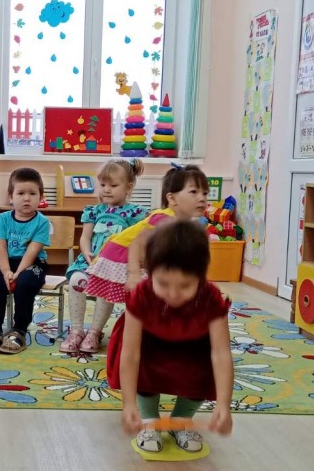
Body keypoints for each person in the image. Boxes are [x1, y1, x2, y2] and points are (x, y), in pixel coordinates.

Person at [109, 220, 233, 454]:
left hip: (193, 346)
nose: (174, 294)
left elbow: (221, 353)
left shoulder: (210, 298)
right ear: (150, 272)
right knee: (142, 363)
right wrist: (128, 404)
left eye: (185, 285)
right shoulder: (142, 295)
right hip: (150, 344)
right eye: (163, 283)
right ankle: (149, 420)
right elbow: (131, 354)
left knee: (204, 367)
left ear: (201, 277)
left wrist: (224, 405)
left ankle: (181, 419)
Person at [85, 164, 209, 304]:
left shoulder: (186, 224)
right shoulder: (164, 219)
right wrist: (134, 274)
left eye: (205, 193)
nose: (202, 198)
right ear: (172, 199)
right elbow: (136, 244)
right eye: (193, 192)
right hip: (121, 255)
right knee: (143, 300)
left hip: (141, 260)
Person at [61, 159, 148, 354]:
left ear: (128, 187)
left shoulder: (135, 214)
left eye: (113, 185)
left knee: (105, 286)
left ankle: (95, 332)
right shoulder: (94, 211)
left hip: (115, 266)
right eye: (102, 185)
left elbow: (139, 241)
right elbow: (85, 237)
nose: (106, 190)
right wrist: (86, 252)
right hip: (90, 262)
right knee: (76, 281)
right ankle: (76, 331)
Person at [0, 168, 50, 355]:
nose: (26, 198)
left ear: (41, 197)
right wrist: (6, 272)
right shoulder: (3, 219)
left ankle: (19, 331)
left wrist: (17, 274)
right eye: (21, 193)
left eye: (32, 194)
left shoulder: (42, 222)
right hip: (6, 263)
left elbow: (32, 251)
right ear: (11, 197)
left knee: (25, 283)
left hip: (32, 264)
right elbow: (1, 248)